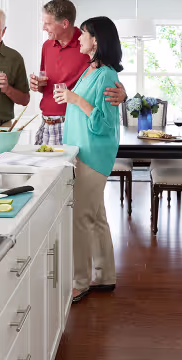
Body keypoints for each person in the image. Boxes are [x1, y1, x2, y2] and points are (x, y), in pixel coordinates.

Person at [54, 16, 123, 304]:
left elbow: (104, 123)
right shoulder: (91, 69)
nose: (79, 38)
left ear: (95, 39)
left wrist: (74, 99)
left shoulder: (106, 75)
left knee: (81, 218)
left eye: (82, 34)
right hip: (82, 152)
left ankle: (80, 282)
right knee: (95, 217)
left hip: (93, 155)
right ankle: (105, 276)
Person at [30, 0, 127, 145]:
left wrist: (123, 95)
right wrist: (38, 84)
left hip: (71, 123)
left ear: (64, 23)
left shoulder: (85, 47)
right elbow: (46, 83)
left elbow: (105, 77)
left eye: (48, 23)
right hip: (46, 122)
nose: (43, 27)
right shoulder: (47, 46)